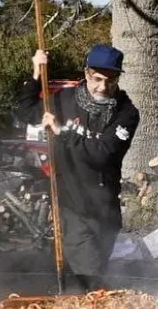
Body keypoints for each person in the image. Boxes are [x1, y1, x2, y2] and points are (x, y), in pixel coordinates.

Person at [15, 44, 139, 286]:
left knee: (92, 271)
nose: (103, 87)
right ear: (86, 74)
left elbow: (103, 153)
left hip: (105, 209)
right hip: (71, 204)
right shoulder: (64, 101)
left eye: (111, 81)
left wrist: (62, 133)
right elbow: (25, 111)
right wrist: (36, 73)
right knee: (90, 275)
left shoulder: (127, 113)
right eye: (98, 79)